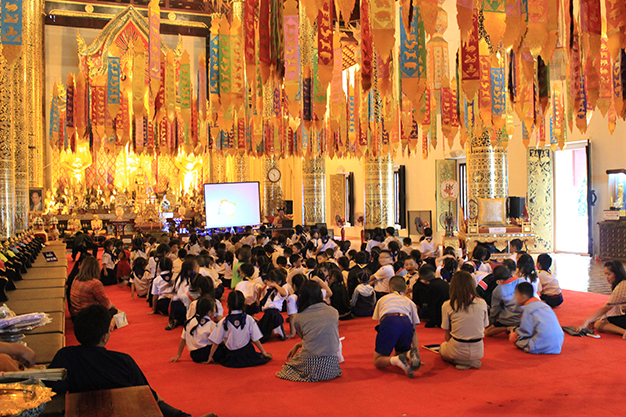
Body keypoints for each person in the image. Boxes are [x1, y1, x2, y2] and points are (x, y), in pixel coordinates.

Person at [47, 305, 204, 417]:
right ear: (104, 336)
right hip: (124, 410)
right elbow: (147, 394)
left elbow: (50, 387)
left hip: (84, 409)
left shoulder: (66, 356)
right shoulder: (122, 361)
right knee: (154, 401)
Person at [276, 280, 342, 382]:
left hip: (312, 362)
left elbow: (308, 339)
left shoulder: (299, 318)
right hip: (332, 365)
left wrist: (298, 345)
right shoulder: (334, 312)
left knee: (287, 367)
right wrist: (298, 345)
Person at [372, 276, 421, 378]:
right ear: (406, 289)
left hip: (390, 321)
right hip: (406, 322)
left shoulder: (383, 299)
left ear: (389, 288)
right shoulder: (410, 302)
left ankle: (396, 360)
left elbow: (381, 322)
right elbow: (414, 331)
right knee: (400, 350)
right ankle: (410, 354)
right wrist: (417, 350)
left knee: (378, 361)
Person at [208, 291, 272, 368]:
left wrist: (210, 357)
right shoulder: (249, 319)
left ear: (227, 305)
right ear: (244, 304)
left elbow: (216, 342)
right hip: (247, 354)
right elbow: (255, 339)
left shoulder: (223, 321)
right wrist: (263, 352)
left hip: (231, 356)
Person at [440, 271, 489, 370]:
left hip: (457, 347)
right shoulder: (482, 303)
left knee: (442, 348)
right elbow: (485, 325)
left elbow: (447, 335)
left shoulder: (448, 305)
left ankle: (460, 361)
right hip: (478, 349)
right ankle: (470, 361)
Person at [509, 282, 564, 354]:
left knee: (517, 340)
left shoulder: (527, 308)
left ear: (523, 297)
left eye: (516, 295)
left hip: (542, 344)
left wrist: (515, 335)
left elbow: (526, 332)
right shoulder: (544, 305)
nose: (515, 298)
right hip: (558, 344)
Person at [581, 261, 626, 338]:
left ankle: (624, 332)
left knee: (599, 324)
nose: (606, 277)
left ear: (617, 274)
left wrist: (588, 320)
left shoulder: (622, 285)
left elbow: (607, 307)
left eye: (609, 274)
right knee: (600, 321)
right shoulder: (621, 283)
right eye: (605, 274)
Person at [170, 297, 217, 363]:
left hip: (194, 355)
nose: (215, 310)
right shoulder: (212, 324)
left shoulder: (189, 322)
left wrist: (178, 354)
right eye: (214, 308)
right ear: (209, 312)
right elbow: (217, 341)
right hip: (207, 352)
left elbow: (183, 339)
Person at [485, 265, 525, 337]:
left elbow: (495, 309)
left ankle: (507, 328)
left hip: (508, 319)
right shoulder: (521, 281)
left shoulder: (498, 290)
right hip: (524, 317)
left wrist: (491, 322)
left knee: (487, 332)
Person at [257, 270, 288, 343]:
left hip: (274, 314)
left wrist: (275, 285)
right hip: (267, 312)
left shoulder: (280, 291)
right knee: (258, 328)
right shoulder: (267, 290)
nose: (270, 283)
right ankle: (276, 329)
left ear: (279, 282)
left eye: (272, 281)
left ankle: (266, 336)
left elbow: (284, 293)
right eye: (269, 281)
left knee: (265, 330)